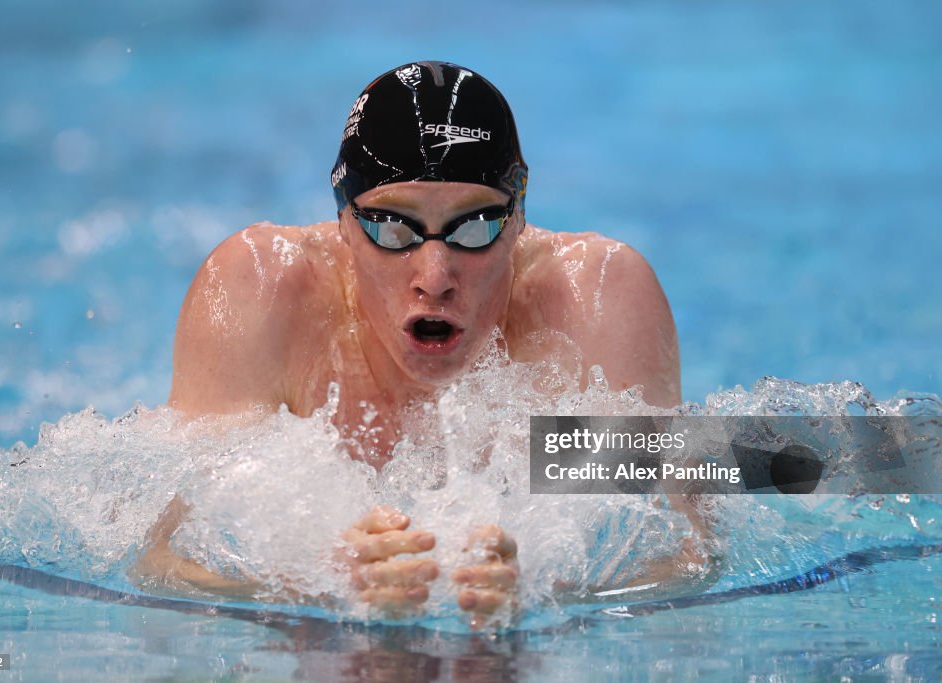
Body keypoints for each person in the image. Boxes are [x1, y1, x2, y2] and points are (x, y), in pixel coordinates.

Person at [135, 61, 694, 627]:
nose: (435, 274)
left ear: (519, 218)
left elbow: (724, 517)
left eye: (473, 227)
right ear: (344, 225)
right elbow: (153, 557)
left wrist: (548, 592)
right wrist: (313, 585)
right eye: (392, 228)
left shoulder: (592, 298)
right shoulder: (263, 289)